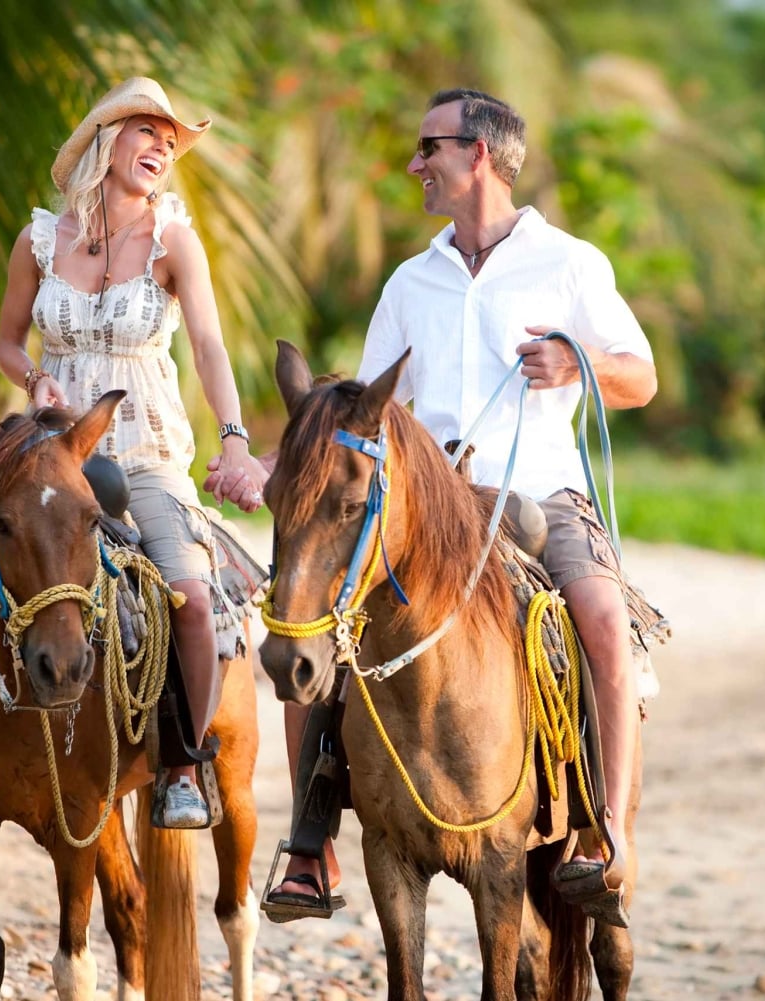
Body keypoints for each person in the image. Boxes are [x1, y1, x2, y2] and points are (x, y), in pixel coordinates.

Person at [270, 88, 656, 916]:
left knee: (602, 623)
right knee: (315, 625)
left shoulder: (571, 263)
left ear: (480, 154)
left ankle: (606, 838)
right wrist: (276, 462)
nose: (417, 166)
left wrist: (577, 361)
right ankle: (309, 848)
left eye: (428, 148)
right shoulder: (412, 280)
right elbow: (360, 411)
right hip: (428, 507)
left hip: (543, 494)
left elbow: (641, 375)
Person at [0, 77, 269, 829]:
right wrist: (34, 376)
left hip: (141, 448)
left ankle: (182, 764)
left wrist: (233, 434)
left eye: (172, 142)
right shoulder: (40, 240)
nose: (163, 149)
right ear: (107, 140)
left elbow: (207, 344)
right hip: (44, 451)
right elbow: (9, 342)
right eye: (149, 132)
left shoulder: (175, 240)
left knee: (194, 598)